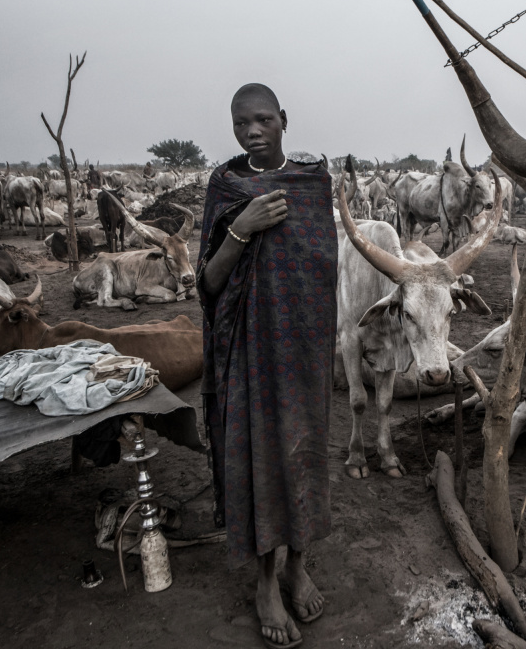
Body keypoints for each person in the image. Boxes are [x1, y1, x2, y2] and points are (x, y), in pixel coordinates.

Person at [197, 83, 337, 649]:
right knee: (255, 458)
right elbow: (208, 283)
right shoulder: (225, 187)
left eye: (261, 120)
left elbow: (322, 267)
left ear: (283, 119)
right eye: (240, 124)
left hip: (303, 350)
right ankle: (264, 584)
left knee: (303, 453)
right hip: (249, 356)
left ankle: (298, 565)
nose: (251, 131)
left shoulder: (311, 182)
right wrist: (242, 227)